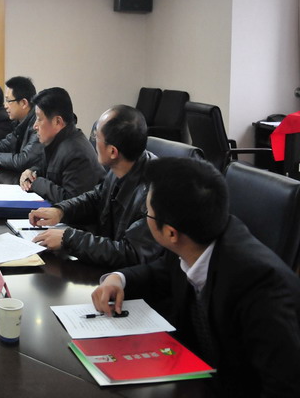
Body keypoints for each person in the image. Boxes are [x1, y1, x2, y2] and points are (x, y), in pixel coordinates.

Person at [91, 158, 300, 397]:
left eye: (147, 213)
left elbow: (284, 387)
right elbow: (162, 272)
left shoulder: (261, 287)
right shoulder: (194, 239)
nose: (146, 217)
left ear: (171, 233)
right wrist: (118, 279)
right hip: (193, 377)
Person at [29, 105, 163, 267]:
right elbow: (96, 198)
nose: (93, 141)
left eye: (96, 136)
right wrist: (61, 211)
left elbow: (130, 253)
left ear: (112, 151)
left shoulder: (154, 193)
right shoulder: (123, 165)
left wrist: (69, 239)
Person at [19, 87, 104, 203]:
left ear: (57, 122)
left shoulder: (76, 152)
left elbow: (70, 201)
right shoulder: (55, 142)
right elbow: (46, 169)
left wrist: (36, 182)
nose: (35, 126)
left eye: (39, 119)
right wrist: (31, 172)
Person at [0, 75, 44, 173]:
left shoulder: (37, 125)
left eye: (8, 101)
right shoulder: (19, 121)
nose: (5, 106)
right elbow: (7, 143)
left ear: (24, 103)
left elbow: (23, 160)